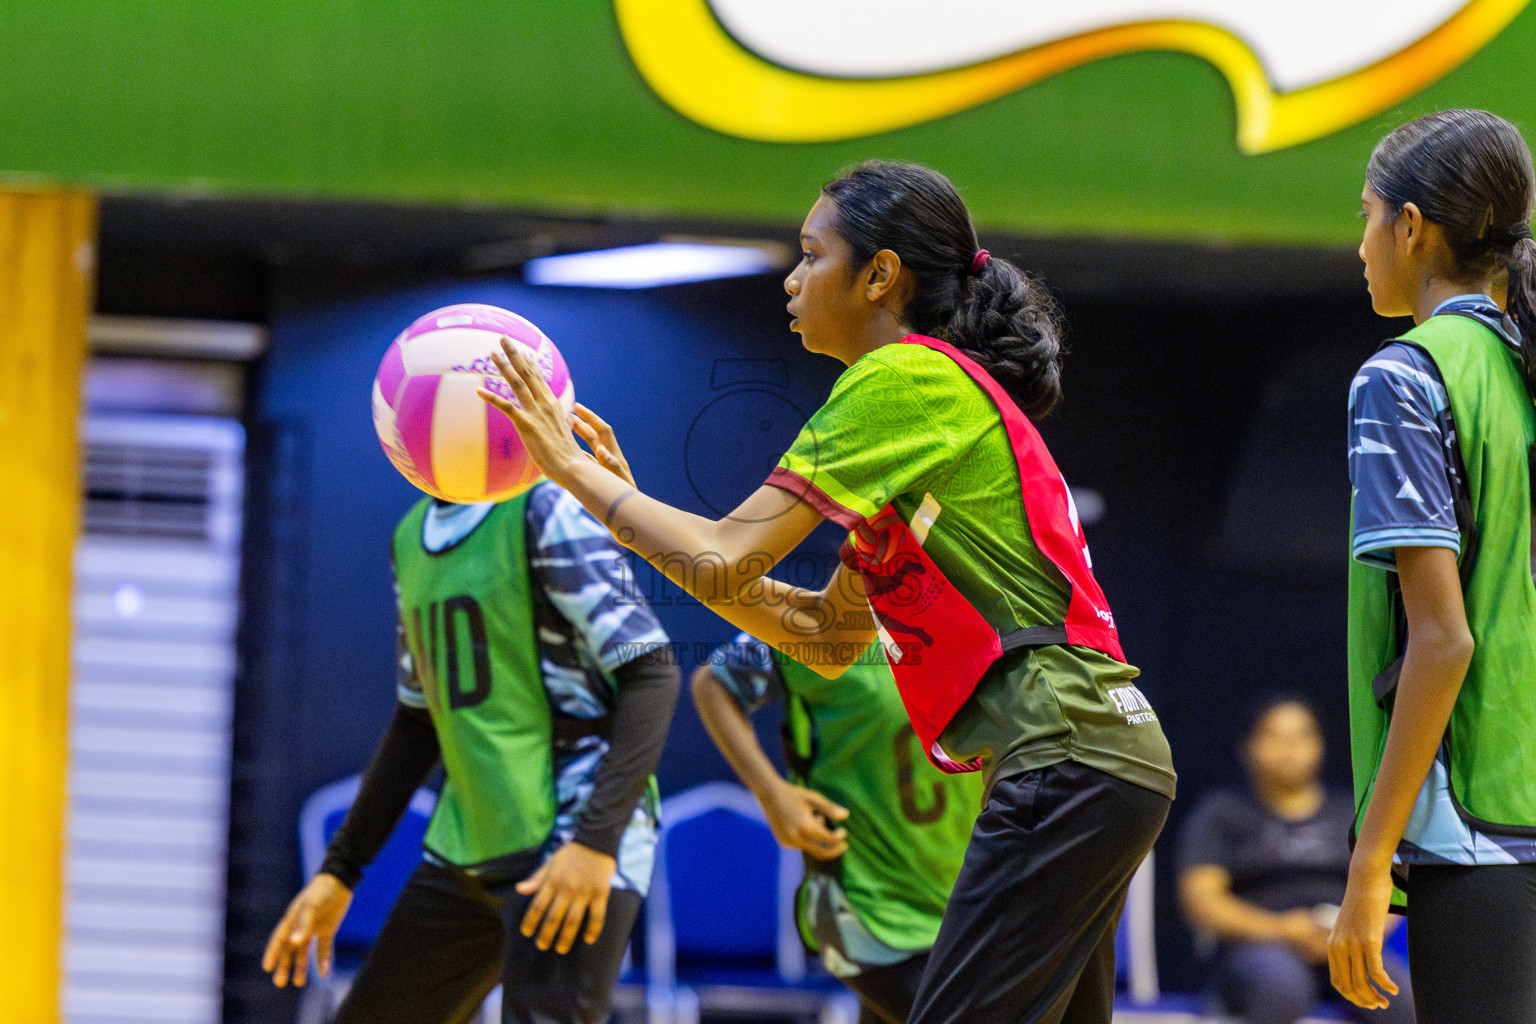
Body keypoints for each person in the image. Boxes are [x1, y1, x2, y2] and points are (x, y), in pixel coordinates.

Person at [481, 159, 1176, 1024]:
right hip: (1100, 759)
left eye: (812, 255)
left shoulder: (906, 379)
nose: (792, 277)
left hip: (1064, 756)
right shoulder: (927, 411)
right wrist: (631, 510)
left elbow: (725, 556)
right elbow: (825, 634)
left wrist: (572, 471)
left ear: (880, 275)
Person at [261, 483, 680, 1024]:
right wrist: (340, 870)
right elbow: (418, 719)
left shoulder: (546, 507)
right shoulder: (410, 535)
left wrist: (596, 842)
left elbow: (652, 671)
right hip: (470, 844)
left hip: (573, 836)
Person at [1336, 108, 1536, 1024]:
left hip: (1478, 834)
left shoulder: (1405, 379)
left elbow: (1444, 640)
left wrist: (1370, 860)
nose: (1361, 244)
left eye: (1368, 215)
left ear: (1411, 227)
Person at [693, 636, 983, 1024]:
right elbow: (714, 683)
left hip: (969, 899)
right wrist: (771, 792)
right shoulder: (820, 622)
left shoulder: (972, 617)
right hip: (868, 906)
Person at [1177, 696, 1413, 1024]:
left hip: (1347, 943)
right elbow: (1201, 901)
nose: (1290, 748)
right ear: (1248, 746)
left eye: (1302, 735)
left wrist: (1355, 931)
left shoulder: (1353, 812)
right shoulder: (1221, 814)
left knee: (1398, 996)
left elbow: (1391, 885)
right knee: (1280, 988)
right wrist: (1283, 930)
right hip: (1257, 947)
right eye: (1275, 736)